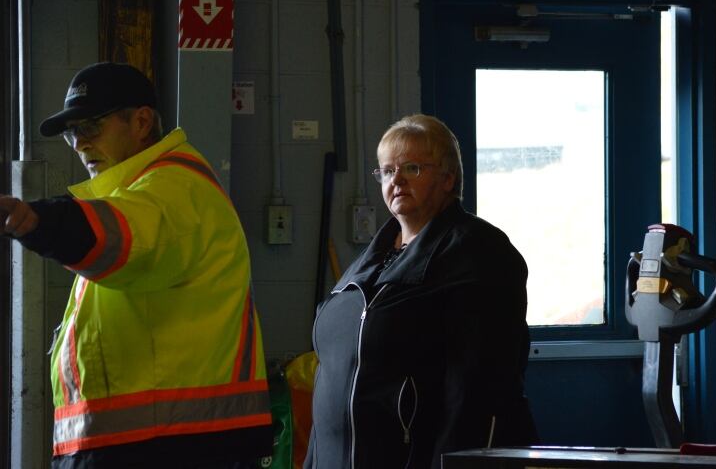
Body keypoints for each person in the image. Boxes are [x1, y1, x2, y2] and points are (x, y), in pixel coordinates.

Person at [0, 62, 273, 468]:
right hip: (157, 442)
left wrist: (36, 220)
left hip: (167, 447)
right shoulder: (146, 192)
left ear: (142, 121)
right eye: (72, 134)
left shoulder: (173, 190)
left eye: (90, 127)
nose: (79, 145)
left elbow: (121, 240)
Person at [304, 114, 537, 469]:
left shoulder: (478, 252)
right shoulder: (372, 260)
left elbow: (479, 391)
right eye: (386, 170)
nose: (395, 179)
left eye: (411, 168)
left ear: (448, 177)